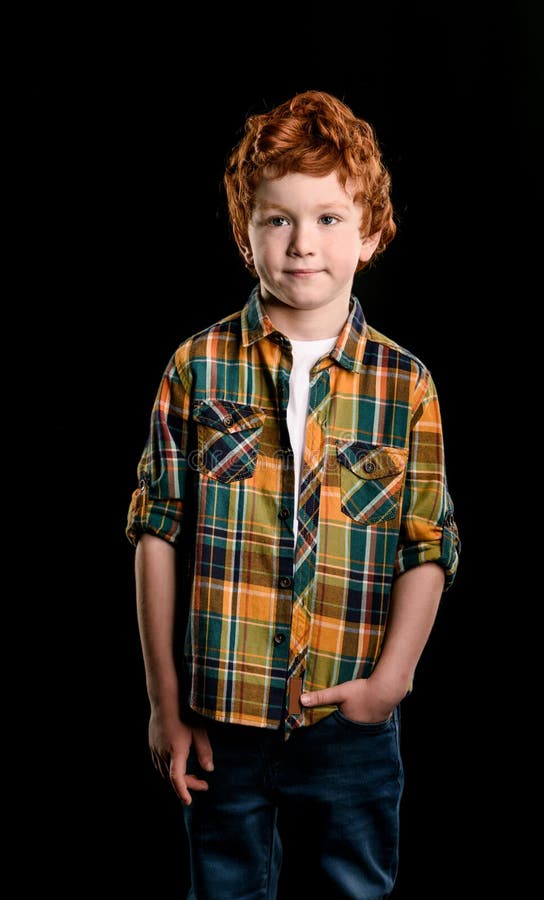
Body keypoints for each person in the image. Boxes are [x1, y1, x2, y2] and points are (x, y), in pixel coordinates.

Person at [126, 89, 460, 899]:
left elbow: (429, 544)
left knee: (353, 889)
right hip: (221, 718)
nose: (301, 243)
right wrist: (166, 704)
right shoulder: (196, 367)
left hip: (348, 722)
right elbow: (157, 530)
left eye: (328, 220)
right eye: (277, 220)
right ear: (247, 236)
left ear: (371, 235)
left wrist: (389, 684)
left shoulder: (404, 385)